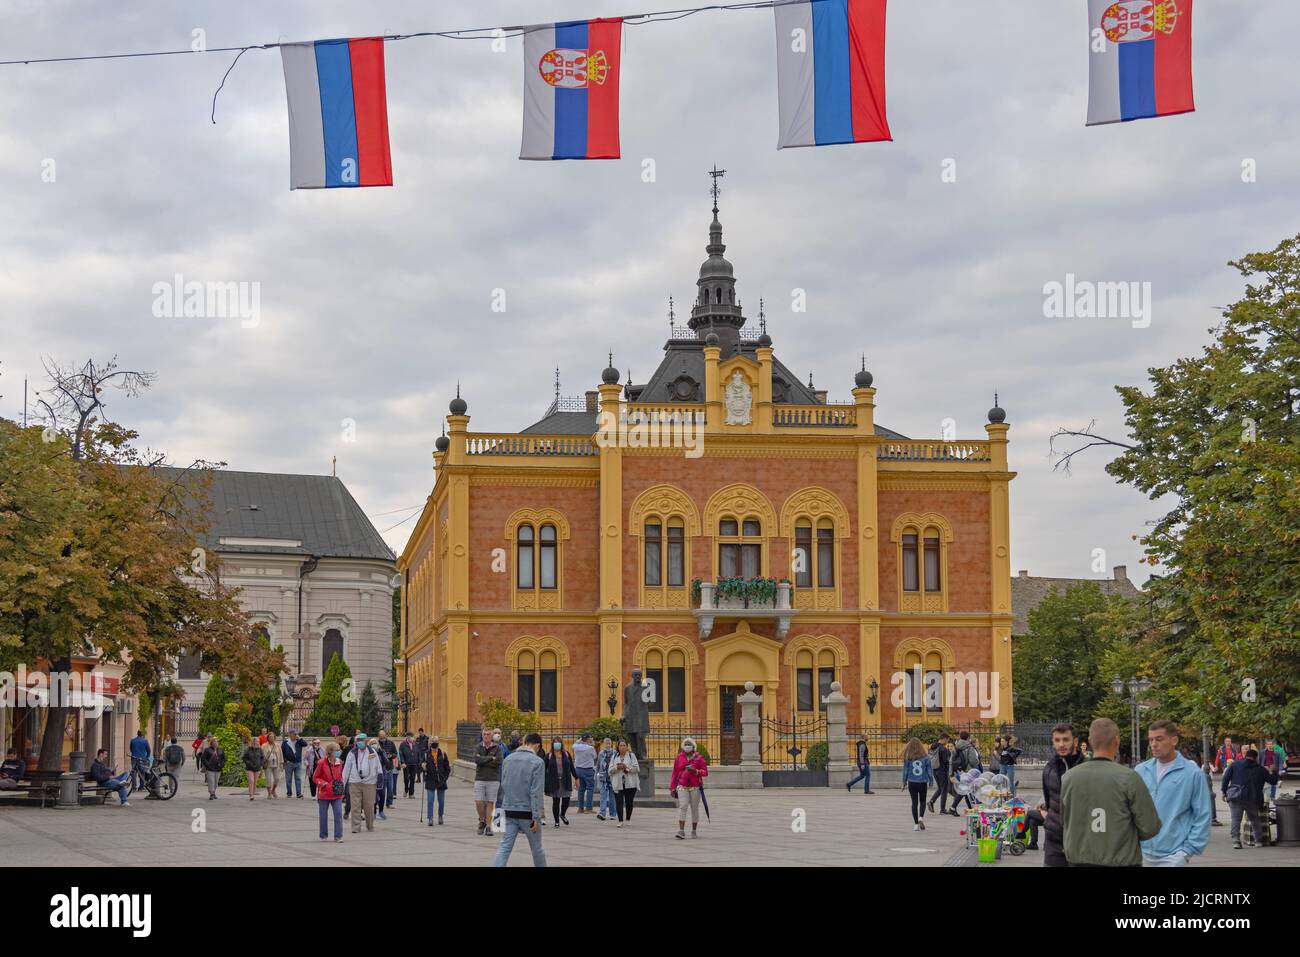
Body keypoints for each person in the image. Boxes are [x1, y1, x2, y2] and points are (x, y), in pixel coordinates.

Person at [1060, 718, 1161, 867]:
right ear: (1117, 740)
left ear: (1090, 741)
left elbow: (1065, 820)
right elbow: (1150, 827)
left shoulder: (1068, 777)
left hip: (1078, 860)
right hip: (1120, 860)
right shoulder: (1129, 777)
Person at [1134, 719, 1211, 866]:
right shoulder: (1141, 770)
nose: (1153, 744)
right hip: (1142, 853)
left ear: (1174, 740)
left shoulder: (1192, 773)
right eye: (1151, 740)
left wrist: (1187, 852)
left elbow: (1202, 815)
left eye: (1159, 739)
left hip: (1174, 855)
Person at [1032, 722, 1084, 864]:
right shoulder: (1049, 769)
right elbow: (1049, 803)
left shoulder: (1087, 768)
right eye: (1057, 740)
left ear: (1075, 741)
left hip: (1081, 842)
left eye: (1065, 739)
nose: (1061, 744)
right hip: (1054, 841)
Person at [493, 732, 547, 867]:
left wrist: (498, 816)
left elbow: (502, 787)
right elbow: (536, 792)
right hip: (527, 812)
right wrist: (537, 815)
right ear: (537, 745)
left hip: (509, 810)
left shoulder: (508, 759)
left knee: (504, 847)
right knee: (537, 848)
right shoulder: (538, 762)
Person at [1221, 747, 1278, 850]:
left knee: (1236, 819)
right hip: (1253, 798)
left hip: (1236, 797)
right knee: (1255, 819)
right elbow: (1273, 781)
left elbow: (1225, 779)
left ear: (1245, 756)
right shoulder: (1261, 769)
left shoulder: (1235, 765)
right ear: (1256, 758)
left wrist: (1224, 792)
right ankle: (1258, 841)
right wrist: (1274, 772)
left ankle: (1236, 841)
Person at [670, 737, 709, 839]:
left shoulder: (699, 758)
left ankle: (694, 830)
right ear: (683, 746)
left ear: (693, 746)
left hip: (695, 787)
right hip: (682, 786)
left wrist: (696, 771)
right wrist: (672, 787)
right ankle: (681, 831)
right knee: (682, 807)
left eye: (689, 744)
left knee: (694, 809)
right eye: (686, 744)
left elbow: (705, 772)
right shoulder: (679, 757)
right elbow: (675, 773)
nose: (687, 746)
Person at [343, 732, 382, 834]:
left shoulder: (372, 752)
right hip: (354, 782)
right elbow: (346, 768)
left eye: (361, 741)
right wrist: (343, 783)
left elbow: (378, 766)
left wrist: (379, 778)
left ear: (366, 741)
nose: (359, 743)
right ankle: (356, 827)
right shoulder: (352, 753)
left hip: (370, 783)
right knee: (355, 805)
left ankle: (370, 826)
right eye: (358, 741)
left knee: (369, 805)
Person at [313, 741, 345, 842]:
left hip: (336, 793)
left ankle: (338, 836)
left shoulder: (339, 762)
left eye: (339, 750)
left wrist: (341, 784)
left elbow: (341, 775)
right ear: (330, 752)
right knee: (323, 816)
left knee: (339, 814)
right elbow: (315, 777)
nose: (339, 752)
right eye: (336, 750)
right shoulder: (322, 763)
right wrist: (323, 784)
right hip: (324, 794)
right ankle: (323, 835)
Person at [901, 736, 935, 831]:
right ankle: (921, 817)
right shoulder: (925, 757)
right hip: (922, 782)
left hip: (912, 782)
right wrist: (931, 781)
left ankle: (915, 825)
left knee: (914, 802)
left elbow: (905, 771)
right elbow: (929, 770)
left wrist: (904, 782)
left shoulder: (908, 758)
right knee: (923, 801)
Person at [473, 728, 502, 836]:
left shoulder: (497, 748)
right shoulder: (478, 747)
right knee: (478, 801)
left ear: (492, 736)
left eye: (488, 734)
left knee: (490, 802)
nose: (486, 736)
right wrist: (491, 758)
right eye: (484, 734)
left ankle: (489, 826)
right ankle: (482, 820)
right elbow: (477, 760)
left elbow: (498, 762)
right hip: (480, 778)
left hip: (493, 779)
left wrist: (484, 759)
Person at [608, 738, 640, 828]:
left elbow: (637, 768)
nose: (622, 747)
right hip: (617, 783)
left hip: (630, 783)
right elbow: (609, 771)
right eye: (620, 745)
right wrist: (616, 767)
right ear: (618, 747)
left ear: (627, 746)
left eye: (624, 745)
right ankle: (620, 821)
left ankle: (628, 818)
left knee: (629, 802)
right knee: (619, 802)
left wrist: (626, 768)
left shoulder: (631, 755)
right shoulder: (614, 756)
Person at [544, 737, 576, 827]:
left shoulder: (566, 754)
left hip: (565, 780)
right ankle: (556, 821)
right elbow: (543, 768)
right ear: (552, 744)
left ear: (561, 744)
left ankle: (562, 814)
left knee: (566, 800)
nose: (557, 744)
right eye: (555, 742)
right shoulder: (549, 755)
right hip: (554, 781)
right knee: (556, 801)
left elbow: (572, 767)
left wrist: (576, 778)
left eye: (558, 742)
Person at [423, 735, 451, 825]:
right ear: (430, 743)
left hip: (441, 781)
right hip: (430, 780)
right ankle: (430, 818)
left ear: (438, 743)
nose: (434, 743)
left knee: (441, 801)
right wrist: (422, 766)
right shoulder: (426, 754)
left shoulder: (443, 754)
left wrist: (445, 778)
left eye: (436, 741)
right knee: (430, 800)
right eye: (432, 741)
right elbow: (421, 766)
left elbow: (448, 768)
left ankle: (440, 816)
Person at [573, 732, 597, 814]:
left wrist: (582, 739)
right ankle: (589, 808)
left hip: (578, 769)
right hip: (588, 770)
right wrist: (592, 743)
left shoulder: (576, 746)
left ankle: (580, 808)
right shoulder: (590, 748)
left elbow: (576, 742)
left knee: (581, 789)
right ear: (588, 739)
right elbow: (595, 756)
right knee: (590, 789)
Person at [927, 734, 951, 814]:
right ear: (944, 739)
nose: (947, 742)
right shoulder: (943, 749)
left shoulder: (932, 747)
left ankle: (931, 801)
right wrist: (948, 772)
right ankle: (942, 809)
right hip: (942, 771)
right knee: (944, 789)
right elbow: (946, 762)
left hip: (934, 770)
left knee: (940, 788)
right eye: (947, 740)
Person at [199, 735, 225, 800]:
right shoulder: (207, 750)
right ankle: (211, 794)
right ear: (211, 743)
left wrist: (222, 765)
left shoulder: (221, 750)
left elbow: (224, 758)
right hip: (210, 769)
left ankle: (213, 792)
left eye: (216, 742)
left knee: (216, 783)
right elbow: (203, 759)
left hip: (218, 769)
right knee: (211, 782)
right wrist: (208, 765)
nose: (215, 743)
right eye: (214, 742)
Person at [377, 730, 399, 808]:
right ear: (379, 737)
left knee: (390, 787)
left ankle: (389, 803)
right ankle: (379, 803)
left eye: (384, 736)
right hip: (381, 769)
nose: (382, 738)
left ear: (386, 735)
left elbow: (395, 754)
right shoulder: (377, 744)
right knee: (381, 788)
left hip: (389, 768)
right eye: (381, 737)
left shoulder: (391, 743)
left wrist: (391, 756)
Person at [595, 737, 615, 821]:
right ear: (603, 744)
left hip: (612, 777)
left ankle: (613, 814)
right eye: (606, 743)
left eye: (609, 743)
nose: (607, 745)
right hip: (603, 777)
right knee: (603, 795)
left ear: (611, 744)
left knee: (612, 796)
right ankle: (602, 813)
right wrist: (596, 776)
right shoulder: (601, 753)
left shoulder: (615, 753)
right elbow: (598, 765)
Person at [1261, 738, 1286, 802]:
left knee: (1273, 783)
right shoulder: (1262, 752)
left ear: (1273, 745)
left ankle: (1272, 796)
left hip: (1274, 769)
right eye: (1268, 744)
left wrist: (1280, 769)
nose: (1269, 745)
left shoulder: (1277, 753)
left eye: (1271, 744)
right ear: (1266, 745)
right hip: (1265, 769)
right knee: (1264, 783)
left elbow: (1280, 761)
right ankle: (1264, 796)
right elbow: (1260, 761)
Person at [282, 731, 305, 799]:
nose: (294, 735)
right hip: (289, 763)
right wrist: (285, 761)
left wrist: (300, 738)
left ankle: (299, 793)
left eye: (295, 734)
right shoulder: (285, 742)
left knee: (298, 778)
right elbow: (282, 751)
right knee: (288, 779)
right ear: (289, 735)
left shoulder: (299, 741)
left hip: (298, 762)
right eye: (293, 734)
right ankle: (289, 793)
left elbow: (305, 744)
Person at [241, 736, 264, 801]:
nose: (255, 743)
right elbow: (244, 758)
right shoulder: (248, 749)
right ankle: (251, 795)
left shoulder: (260, 749)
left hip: (257, 768)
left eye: (256, 742)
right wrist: (248, 763)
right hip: (249, 768)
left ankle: (253, 794)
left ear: (258, 742)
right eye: (253, 742)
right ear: (252, 742)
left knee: (255, 782)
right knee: (251, 780)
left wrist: (261, 764)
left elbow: (262, 758)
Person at [263, 732, 282, 799]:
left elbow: (281, 754)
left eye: (273, 737)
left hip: (276, 764)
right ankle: (269, 793)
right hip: (268, 765)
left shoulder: (278, 745)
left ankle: (273, 790)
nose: (272, 738)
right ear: (268, 738)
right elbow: (262, 755)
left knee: (277, 779)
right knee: (268, 780)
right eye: (270, 737)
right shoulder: (264, 745)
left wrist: (281, 763)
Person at [399, 732, 419, 798]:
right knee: (406, 778)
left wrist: (419, 762)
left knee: (413, 779)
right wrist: (402, 762)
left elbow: (418, 753)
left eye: (412, 736)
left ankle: (411, 794)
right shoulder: (403, 744)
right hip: (406, 764)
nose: (412, 738)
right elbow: (401, 754)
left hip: (414, 763)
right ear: (407, 737)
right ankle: (406, 789)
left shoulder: (415, 744)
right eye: (410, 736)